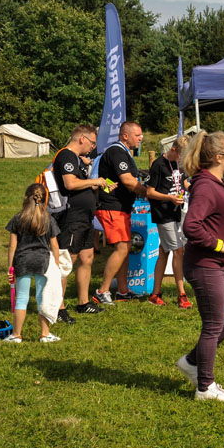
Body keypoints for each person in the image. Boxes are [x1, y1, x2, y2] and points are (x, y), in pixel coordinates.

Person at [176, 131, 224, 401]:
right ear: (218, 157)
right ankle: (205, 387)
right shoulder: (206, 186)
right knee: (213, 325)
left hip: (218, 265)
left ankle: (192, 362)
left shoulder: (214, 182)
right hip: (205, 264)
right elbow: (191, 226)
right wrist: (219, 245)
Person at [53, 124, 111, 319]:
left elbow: (80, 184)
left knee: (87, 257)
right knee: (67, 261)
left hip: (85, 217)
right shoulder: (66, 155)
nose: (93, 147)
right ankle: (58, 307)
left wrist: (99, 184)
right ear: (82, 139)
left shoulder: (77, 159)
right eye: (92, 143)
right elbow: (70, 184)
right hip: (72, 217)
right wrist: (95, 181)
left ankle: (83, 303)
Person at [93, 121, 148, 305]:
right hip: (112, 207)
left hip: (121, 207)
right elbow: (128, 181)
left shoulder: (123, 152)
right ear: (125, 136)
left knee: (124, 247)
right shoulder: (117, 152)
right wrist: (148, 193)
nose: (141, 138)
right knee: (122, 247)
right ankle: (102, 291)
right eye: (137, 135)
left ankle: (122, 291)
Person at [4, 183, 62, 343]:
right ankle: (45, 334)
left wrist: (10, 267)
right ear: (44, 200)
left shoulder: (18, 219)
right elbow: (55, 245)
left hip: (22, 261)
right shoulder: (48, 219)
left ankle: (16, 335)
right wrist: (56, 265)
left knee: (21, 298)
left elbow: (12, 246)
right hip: (43, 262)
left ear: (26, 198)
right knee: (42, 298)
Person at [146, 135, 192, 309]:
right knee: (178, 250)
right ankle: (182, 295)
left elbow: (183, 181)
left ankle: (155, 294)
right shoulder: (159, 165)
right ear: (173, 149)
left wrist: (195, 189)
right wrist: (170, 198)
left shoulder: (179, 164)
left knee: (164, 251)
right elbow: (149, 192)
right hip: (163, 213)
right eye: (181, 155)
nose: (182, 159)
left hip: (176, 212)